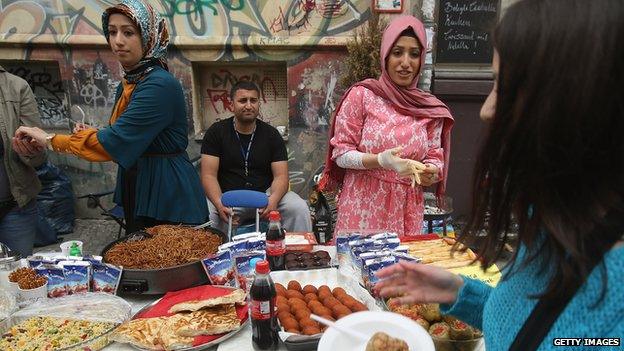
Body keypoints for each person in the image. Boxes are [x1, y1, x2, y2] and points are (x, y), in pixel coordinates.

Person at [375, 0, 624, 349]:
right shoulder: (551, 218)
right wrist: (460, 292)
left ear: (578, 101)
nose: (488, 111)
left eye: (502, 85)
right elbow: (528, 316)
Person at [16, 0, 207, 234]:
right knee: (140, 258)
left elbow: (116, 142)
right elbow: (122, 135)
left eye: (128, 32)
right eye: (112, 32)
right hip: (137, 182)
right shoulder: (130, 82)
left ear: (148, 36)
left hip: (165, 189)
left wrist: (48, 139)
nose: (117, 41)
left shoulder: (158, 84)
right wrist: (93, 133)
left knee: (167, 262)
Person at [320, 16, 454, 237]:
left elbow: (434, 158)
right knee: (356, 268)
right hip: (362, 205)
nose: (405, 62)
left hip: (406, 208)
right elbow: (341, 153)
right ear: (385, 55)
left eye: (414, 54)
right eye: (397, 52)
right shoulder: (362, 96)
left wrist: (431, 172)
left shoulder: (430, 109)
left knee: (400, 269)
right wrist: (381, 160)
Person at [200, 81, 312, 234]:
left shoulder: (271, 135)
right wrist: (219, 204)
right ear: (231, 105)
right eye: (242, 101)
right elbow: (208, 175)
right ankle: (215, 258)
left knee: (298, 207)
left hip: (265, 197)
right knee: (206, 214)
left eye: (253, 100)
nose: (248, 106)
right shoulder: (216, 132)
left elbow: (281, 177)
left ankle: (300, 254)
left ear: (259, 104)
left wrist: (273, 200)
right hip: (227, 198)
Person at [0, 66, 45, 257]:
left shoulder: (16, 87)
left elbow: (39, 157)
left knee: (18, 277)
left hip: (15, 207)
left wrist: (30, 151)